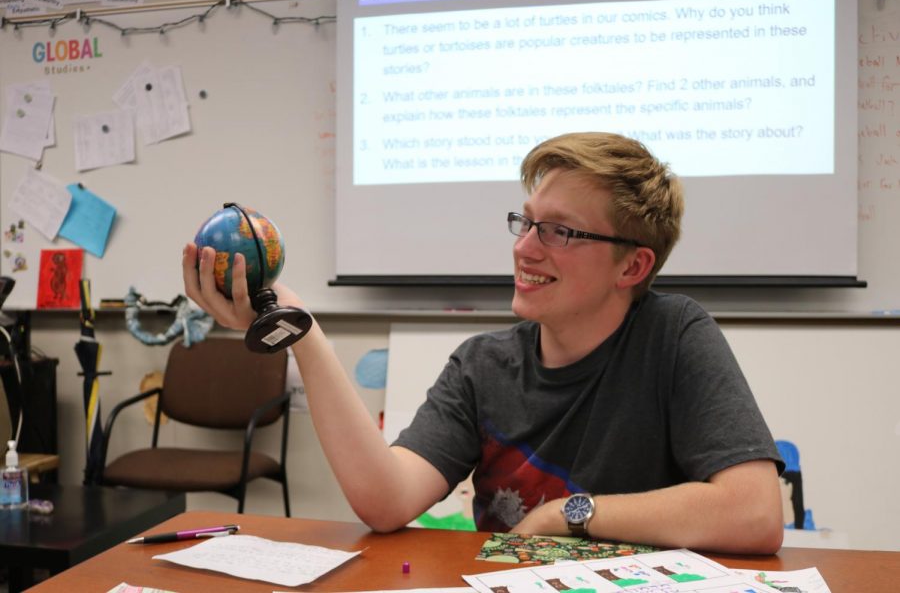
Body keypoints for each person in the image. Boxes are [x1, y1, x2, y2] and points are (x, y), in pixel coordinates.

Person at [183, 132, 784, 554]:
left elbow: (754, 512)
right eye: (526, 221)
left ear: (632, 268)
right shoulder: (483, 365)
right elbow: (386, 501)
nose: (525, 248)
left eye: (560, 231)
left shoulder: (673, 336)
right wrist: (304, 336)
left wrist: (570, 514)